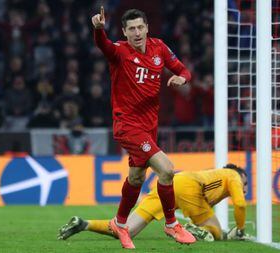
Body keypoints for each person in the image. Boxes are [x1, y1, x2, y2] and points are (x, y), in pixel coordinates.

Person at [91, 7, 195, 248]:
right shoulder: (119, 52)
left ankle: (119, 222)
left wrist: (183, 78)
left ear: (147, 28)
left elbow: (183, 69)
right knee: (167, 170)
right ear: (124, 33)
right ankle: (171, 225)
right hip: (127, 124)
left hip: (149, 126)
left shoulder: (159, 47)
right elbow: (102, 44)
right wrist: (98, 29)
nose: (137, 33)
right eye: (131, 29)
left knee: (136, 177)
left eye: (140, 27)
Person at [58, 164, 251, 242]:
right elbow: (240, 204)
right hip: (189, 188)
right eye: (245, 183)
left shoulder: (217, 178)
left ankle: (84, 224)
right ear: (240, 175)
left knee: (126, 231)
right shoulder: (233, 175)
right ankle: (192, 228)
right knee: (217, 234)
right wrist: (241, 229)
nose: (244, 187)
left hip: (171, 185)